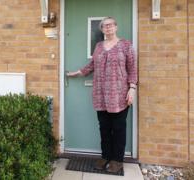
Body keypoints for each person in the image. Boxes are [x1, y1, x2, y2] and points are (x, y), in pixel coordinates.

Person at [67, 17, 137, 173]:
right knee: (104, 128)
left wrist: (132, 88)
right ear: (102, 29)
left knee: (118, 128)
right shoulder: (98, 46)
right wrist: (77, 73)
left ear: (116, 27)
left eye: (111, 25)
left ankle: (117, 160)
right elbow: (91, 66)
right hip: (100, 94)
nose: (108, 27)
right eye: (105, 26)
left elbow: (132, 69)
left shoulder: (126, 45)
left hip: (120, 95)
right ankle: (105, 156)